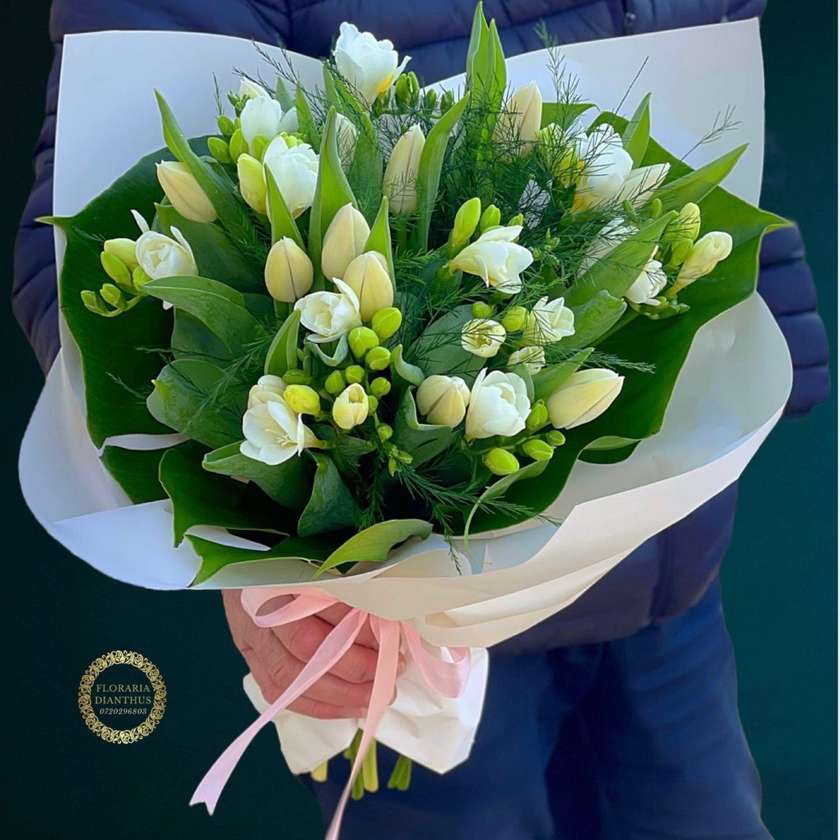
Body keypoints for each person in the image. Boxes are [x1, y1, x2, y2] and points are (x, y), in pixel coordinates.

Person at [15, 2, 830, 838]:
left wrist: (755, 318)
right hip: (388, 631)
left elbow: (701, 89)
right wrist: (255, 545)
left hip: (666, 571)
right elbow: (78, 251)